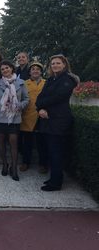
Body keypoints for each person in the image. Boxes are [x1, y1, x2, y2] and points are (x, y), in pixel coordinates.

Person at [36, 55, 78, 191]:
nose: (55, 65)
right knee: (51, 151)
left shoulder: (68, 80)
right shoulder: (50, 79)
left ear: (64, 65)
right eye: (53, 63)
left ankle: (56, 183)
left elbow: (59, 97)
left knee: (56, 152)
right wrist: (40, 108)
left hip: (59, 120)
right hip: (48, 120)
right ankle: (54, 178)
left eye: (58, 63)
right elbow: (40, 97)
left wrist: (42, 104)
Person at [0, 60, 29, 181]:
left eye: (7, 68)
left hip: (14, 117)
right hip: (0, 117)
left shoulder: (21, 83)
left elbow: (27, 99)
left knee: (13, 142)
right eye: (2, 69)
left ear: (12, 68)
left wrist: (19, 105)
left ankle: (14, 168)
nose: (5, 70)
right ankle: (5, 164)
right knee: (1, 141)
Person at [19, 62, 48, 173]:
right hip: (27, 116)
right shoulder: (24, 83)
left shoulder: (47, 83)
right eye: (33, 69)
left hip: (42, 116)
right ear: (30, 72)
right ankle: (25, 162)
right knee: (27, 143)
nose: (35, 71)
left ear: (41, 72)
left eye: (38, 69)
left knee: (42, 142)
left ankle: (43, 164)